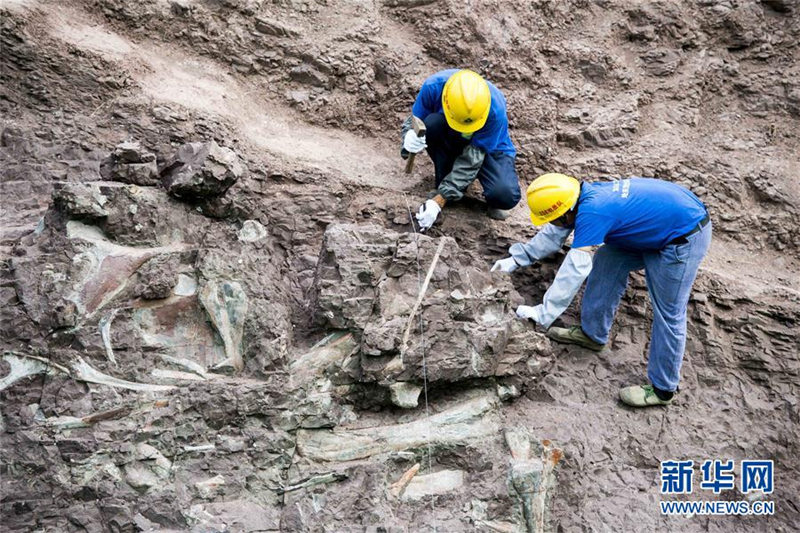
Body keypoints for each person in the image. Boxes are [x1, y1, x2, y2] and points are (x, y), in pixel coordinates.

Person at [491, 173, 712, 407]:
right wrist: (517, 259)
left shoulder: (593, 212)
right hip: (662, 222)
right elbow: (554, 233)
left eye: (555, 219)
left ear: (567, 213)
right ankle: (593, 334)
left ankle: (663, 389)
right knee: (607, 259)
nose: (553, 224)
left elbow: (574, 270)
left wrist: (544, 314)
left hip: (684, 235)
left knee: (669, 311)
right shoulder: (579, 197)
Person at [401, 69, 521, 230]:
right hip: (450, 138)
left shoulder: (495, 108)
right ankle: (448, 184)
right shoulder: (433, 87)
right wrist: (409, 138)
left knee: (504, 195)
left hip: (489, 148)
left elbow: (472, 160)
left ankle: (455, 189)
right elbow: (416, 120)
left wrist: (439, 200)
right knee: (431, 124)